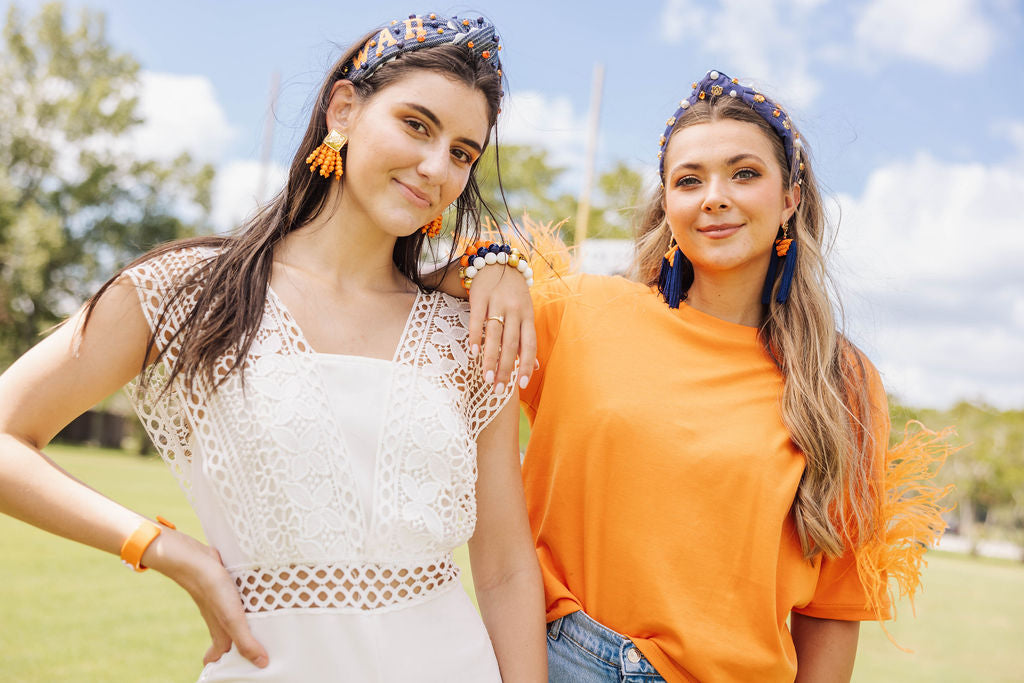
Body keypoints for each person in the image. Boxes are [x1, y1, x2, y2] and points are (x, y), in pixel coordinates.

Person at [0, 13, 546, 682]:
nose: (437, 166)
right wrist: (163, 546)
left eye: (463, 152)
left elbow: (505, 569)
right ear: (344, 108)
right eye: (416, 124)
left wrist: (497, 255)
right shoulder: (186, 294)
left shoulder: (465, 329)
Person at [461, 70, 948, 682]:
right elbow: (415, 283)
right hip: (560, 658)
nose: (714, 196)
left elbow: (832, 606)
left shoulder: (840, 382)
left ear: (791, 196)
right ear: (667, 202)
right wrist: (491, 264)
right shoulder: (578, 311)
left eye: (744, 173)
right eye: (688, 180)